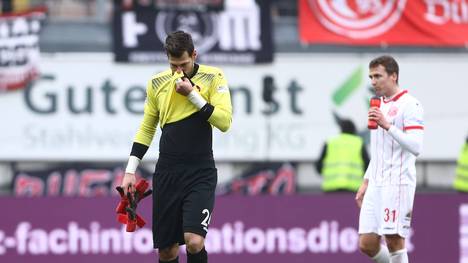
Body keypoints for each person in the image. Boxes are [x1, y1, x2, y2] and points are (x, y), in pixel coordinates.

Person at [120, 31, 232, 263]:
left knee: (194, 241)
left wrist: (193, 95)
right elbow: (147, 128)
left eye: (183, 64)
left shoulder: (214, 77)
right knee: (167, 251)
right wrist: (130, 170)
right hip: (168, 173)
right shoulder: (157, 83)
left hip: (200, 172)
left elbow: (224, 122)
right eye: (173, 66)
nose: (178, 71)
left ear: (194, 54)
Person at [355, 55, 424, 263]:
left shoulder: (411, 105)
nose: (373, 81)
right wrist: (367, 180)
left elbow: (416, 146)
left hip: (397, 182)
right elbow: (378, 151)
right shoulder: (378, 105)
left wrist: (389, 126)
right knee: (366, 243)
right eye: (371, 77)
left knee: (394, 241)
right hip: (376, 182)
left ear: (393, 76)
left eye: (378, 76)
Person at [315, 119, 370, 192]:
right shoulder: (358, 143)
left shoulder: (330, 142)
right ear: (354, 130)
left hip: (330, 189)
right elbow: (368, 168)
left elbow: (318, 167)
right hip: (353, 189)